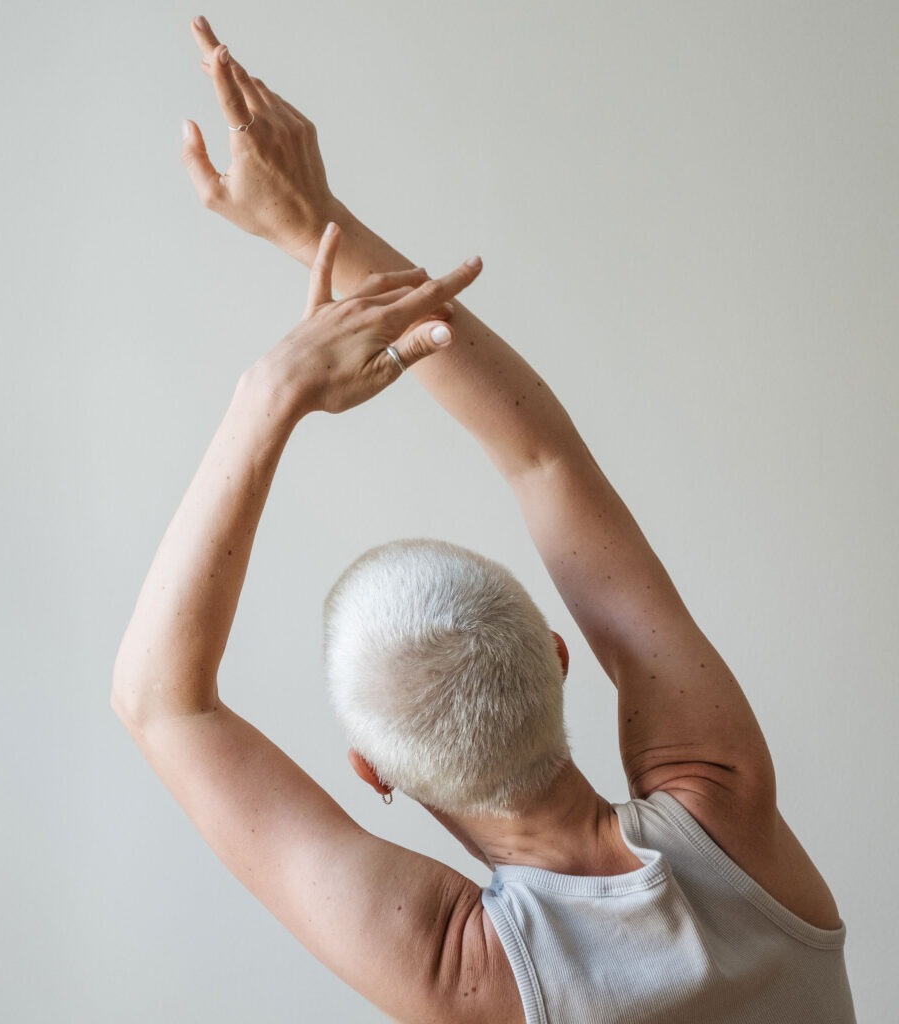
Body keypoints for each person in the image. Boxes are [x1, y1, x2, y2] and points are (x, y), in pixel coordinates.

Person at [111, 16, 856, 1023]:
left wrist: (270, 388)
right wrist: (308, 232)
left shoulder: (464, 975)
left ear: (370, 772)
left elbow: (165, 706)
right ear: (556, 653)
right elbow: (540, 452)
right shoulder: (726, 805)